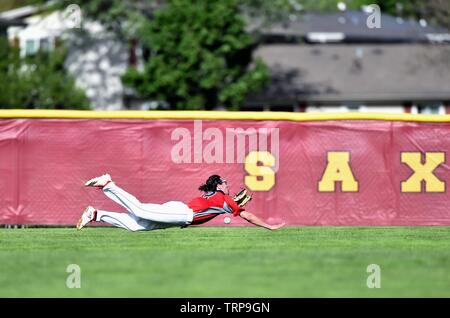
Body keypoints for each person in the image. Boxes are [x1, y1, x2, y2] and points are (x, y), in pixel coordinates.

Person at [76, 174, 285, 231]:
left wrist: (233, 206)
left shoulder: (219, 198)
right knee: (139, 209)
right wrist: (269, 226)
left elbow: (230, 209)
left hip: (178, 214)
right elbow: (246, 215)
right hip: (182, 214)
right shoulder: (224, 198)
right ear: (219, 186)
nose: (229, 185)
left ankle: (95, 214)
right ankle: (108, 184)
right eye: (226, 182)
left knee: (135, 226)